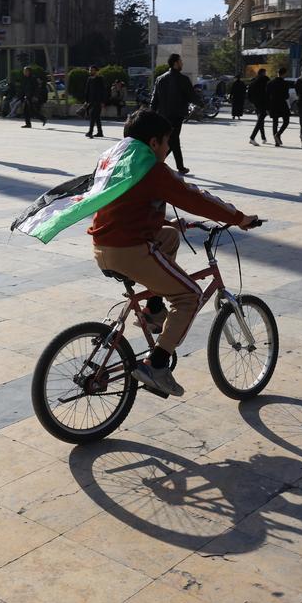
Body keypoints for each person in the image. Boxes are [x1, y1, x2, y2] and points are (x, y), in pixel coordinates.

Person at [88, 110, 258, 396]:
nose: (168, 149)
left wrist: (167, 222)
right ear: (154, 143)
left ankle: (154, 310)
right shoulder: (151, 169)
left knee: (168, 236)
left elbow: (127, 208)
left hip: (104, 247)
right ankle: (157, 364)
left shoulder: (118, 161)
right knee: (188, 296)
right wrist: (239, 218)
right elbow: (195, 197)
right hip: (129, 250)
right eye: (167, 143)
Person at [149, 53, 195, 175]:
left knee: (173, 139)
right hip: (177, 115)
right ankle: (155, 163)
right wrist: (201, 103)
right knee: (172, 140)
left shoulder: (160, 78)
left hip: (163, 115)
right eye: (180, 61)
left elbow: (154, 99)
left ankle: (179, 166)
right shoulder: (183, 79)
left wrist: (151, 112)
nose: (182, 63)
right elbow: (192, 95)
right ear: (175, 63)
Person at [267, 66, 291, 147]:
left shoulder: (270, 83)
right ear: (284, 74)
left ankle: (276, 141)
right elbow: (286, 96)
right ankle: (278, 134)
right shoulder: (285, 83)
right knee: (286, 121)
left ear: (277, 73)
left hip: (272, 104)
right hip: (282, 104)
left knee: (275, 122)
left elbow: (267, 95)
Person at [247, 68, 269, 145]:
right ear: (263, 73)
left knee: (260, 119)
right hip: (263, 103)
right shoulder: (265, 80)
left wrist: (252, 101)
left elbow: (249, 93)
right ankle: (252, 137)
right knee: (260, 120)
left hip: (256, 103)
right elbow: (267, 93)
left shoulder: (253, 81)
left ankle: (263, 138)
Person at [85, 65, 107, 138]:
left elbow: (103, 91)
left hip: (98, 101)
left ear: (96, 71)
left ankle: (90, 132)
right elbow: (87, 91)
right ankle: (100, 132)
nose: (91, 71)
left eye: (92, 70)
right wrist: (86, 100)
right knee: (96, 117)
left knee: (92, 115)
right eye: (90, 70)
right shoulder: (89, 79)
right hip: (91, 101)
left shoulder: (100, 79)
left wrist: (103, 101)